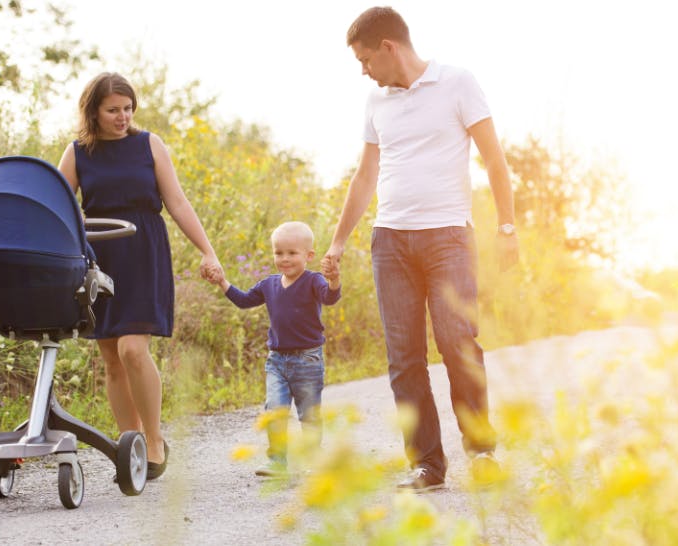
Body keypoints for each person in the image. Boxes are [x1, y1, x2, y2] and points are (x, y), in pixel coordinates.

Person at [322, 7, 519, 492]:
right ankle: (427, 465)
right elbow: (365, 175)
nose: (363, 70)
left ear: (389, 47)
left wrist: (507, 227)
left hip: (449, 235)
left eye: (366, 59)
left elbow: (494, 159)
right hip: (390, 241)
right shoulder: (376, 100)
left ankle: (482, 452)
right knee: (404, 358)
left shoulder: (457, 82)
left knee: (458, 343)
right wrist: (338, 241)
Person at [58, 72, 223, 480]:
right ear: (93, 111)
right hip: (99, 254)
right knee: (112, 357)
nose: (122, 116)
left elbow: (178, 201)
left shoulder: (149, 144)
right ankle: (127, 444)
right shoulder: (78, 152)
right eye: (113, 110)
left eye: (128, 108)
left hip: (143, 249)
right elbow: (56, 203)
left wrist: (208, 251)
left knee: (134, 349)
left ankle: (153, 441)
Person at [207, 221, 341, 476]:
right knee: (275, 412)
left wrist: (334, 280)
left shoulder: (313, 281)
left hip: (308, 360)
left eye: (292, 253)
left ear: (309, 255)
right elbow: (245, 301)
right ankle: (277, 462)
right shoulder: (268, 284)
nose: (285, 258)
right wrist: (223, 282)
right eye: (279, 253)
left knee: (309, 415)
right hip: (276, 361)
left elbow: (330, 297)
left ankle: (314, 460)